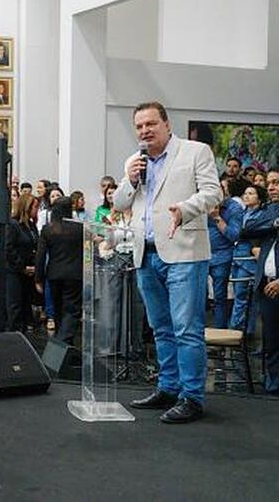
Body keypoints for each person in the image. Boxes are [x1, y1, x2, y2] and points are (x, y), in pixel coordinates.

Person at [113, 101, 221, 423]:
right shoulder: (135, 161)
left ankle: (192, 397)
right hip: (145, 254)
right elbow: (119, 202)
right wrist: (130, 180)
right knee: (160, 328)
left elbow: (214, 193)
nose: (145, 131)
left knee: (187, 328)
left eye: (151, 124)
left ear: (166, 124)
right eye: (139, 126)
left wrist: (184, 208)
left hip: (184, 251)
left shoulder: (195, 151)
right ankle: (168, 387)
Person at [34, 197, 82, 343]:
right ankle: (64, 342)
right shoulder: (80, 228)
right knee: (72, 310)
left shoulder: (48, 229)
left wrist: (38, 278)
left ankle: (62, 343)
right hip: (75, 274)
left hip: (54, 274)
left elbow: (40, 256)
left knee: (58, 309)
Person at [228, 184, 271, 333]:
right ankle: (243, 330)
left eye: (251, 193)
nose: (246, 196)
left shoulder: (262, 215)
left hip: (249, 258)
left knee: (244, 295)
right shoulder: (242, 213)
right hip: (236, 256)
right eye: (245, 193)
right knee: (239, 295)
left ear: (259, 198)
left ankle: (239, 330)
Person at [254, 167, 279, 396]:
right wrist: (273, 223)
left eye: (276, 183)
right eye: (269, 183)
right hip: (267, 286)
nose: (271, 187)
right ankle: (273, 388)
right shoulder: (269, 212)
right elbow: (245, 229)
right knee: (271, 340)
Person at [207, 179, 244, 329]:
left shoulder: (233, 207)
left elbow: (234, 235)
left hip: (222, 256)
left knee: (219, 298)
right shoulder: (201, 205)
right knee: (194, 298)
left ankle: (220, 335)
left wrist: (216, 217)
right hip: (200, 255)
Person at [4, 194, 39, 332]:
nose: (37, 210)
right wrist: (22, 267)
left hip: (28, 271)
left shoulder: (31, 225)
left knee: (25, 305)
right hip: (15, 271)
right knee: (15, 306)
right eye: (35, 207)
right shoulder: (13, 225)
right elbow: (9, 249)